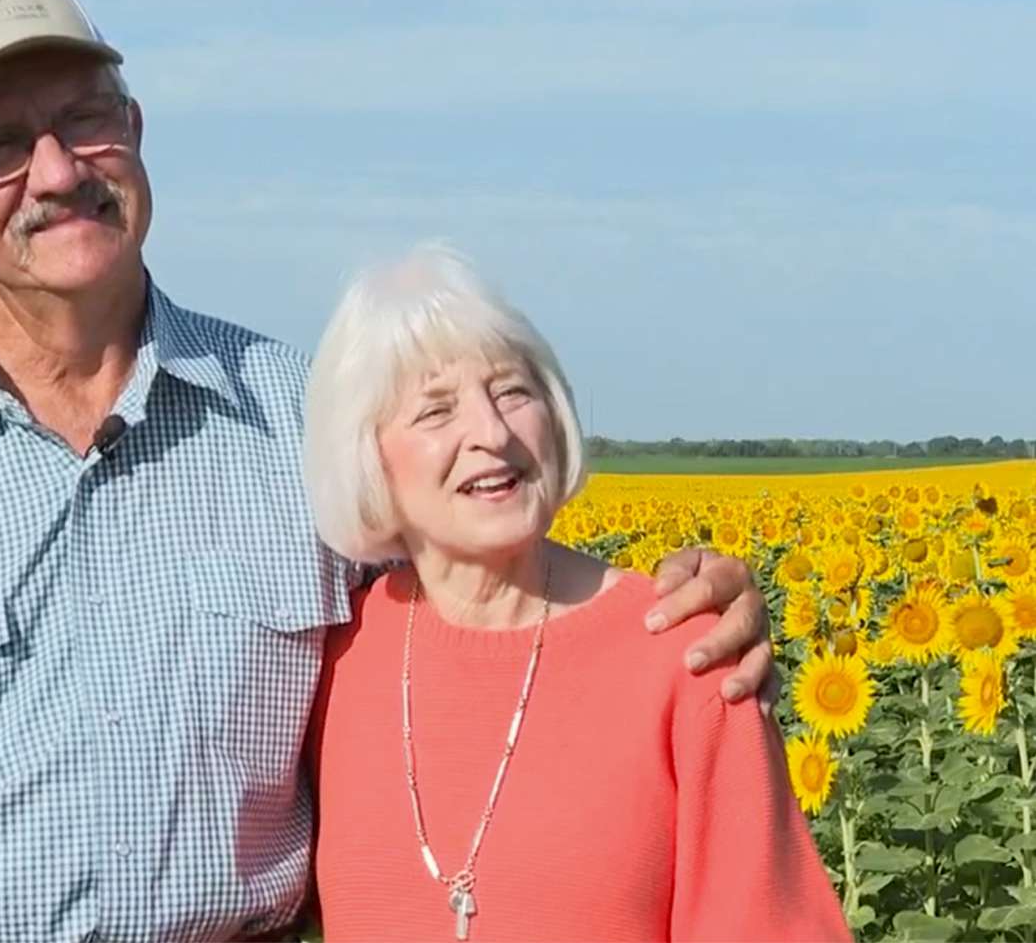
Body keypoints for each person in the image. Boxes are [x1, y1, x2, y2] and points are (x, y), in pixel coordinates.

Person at [0, 0, 776, 943]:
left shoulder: (312, 418)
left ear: (136, 133)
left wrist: (667, 616)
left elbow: (483, 624)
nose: (56, 171)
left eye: (84, 121)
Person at [304, 245, 849, 942]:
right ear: (365, 457)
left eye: (512, 391)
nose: (493, 433)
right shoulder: (335, 658)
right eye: (437, 412)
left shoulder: (687, 652)